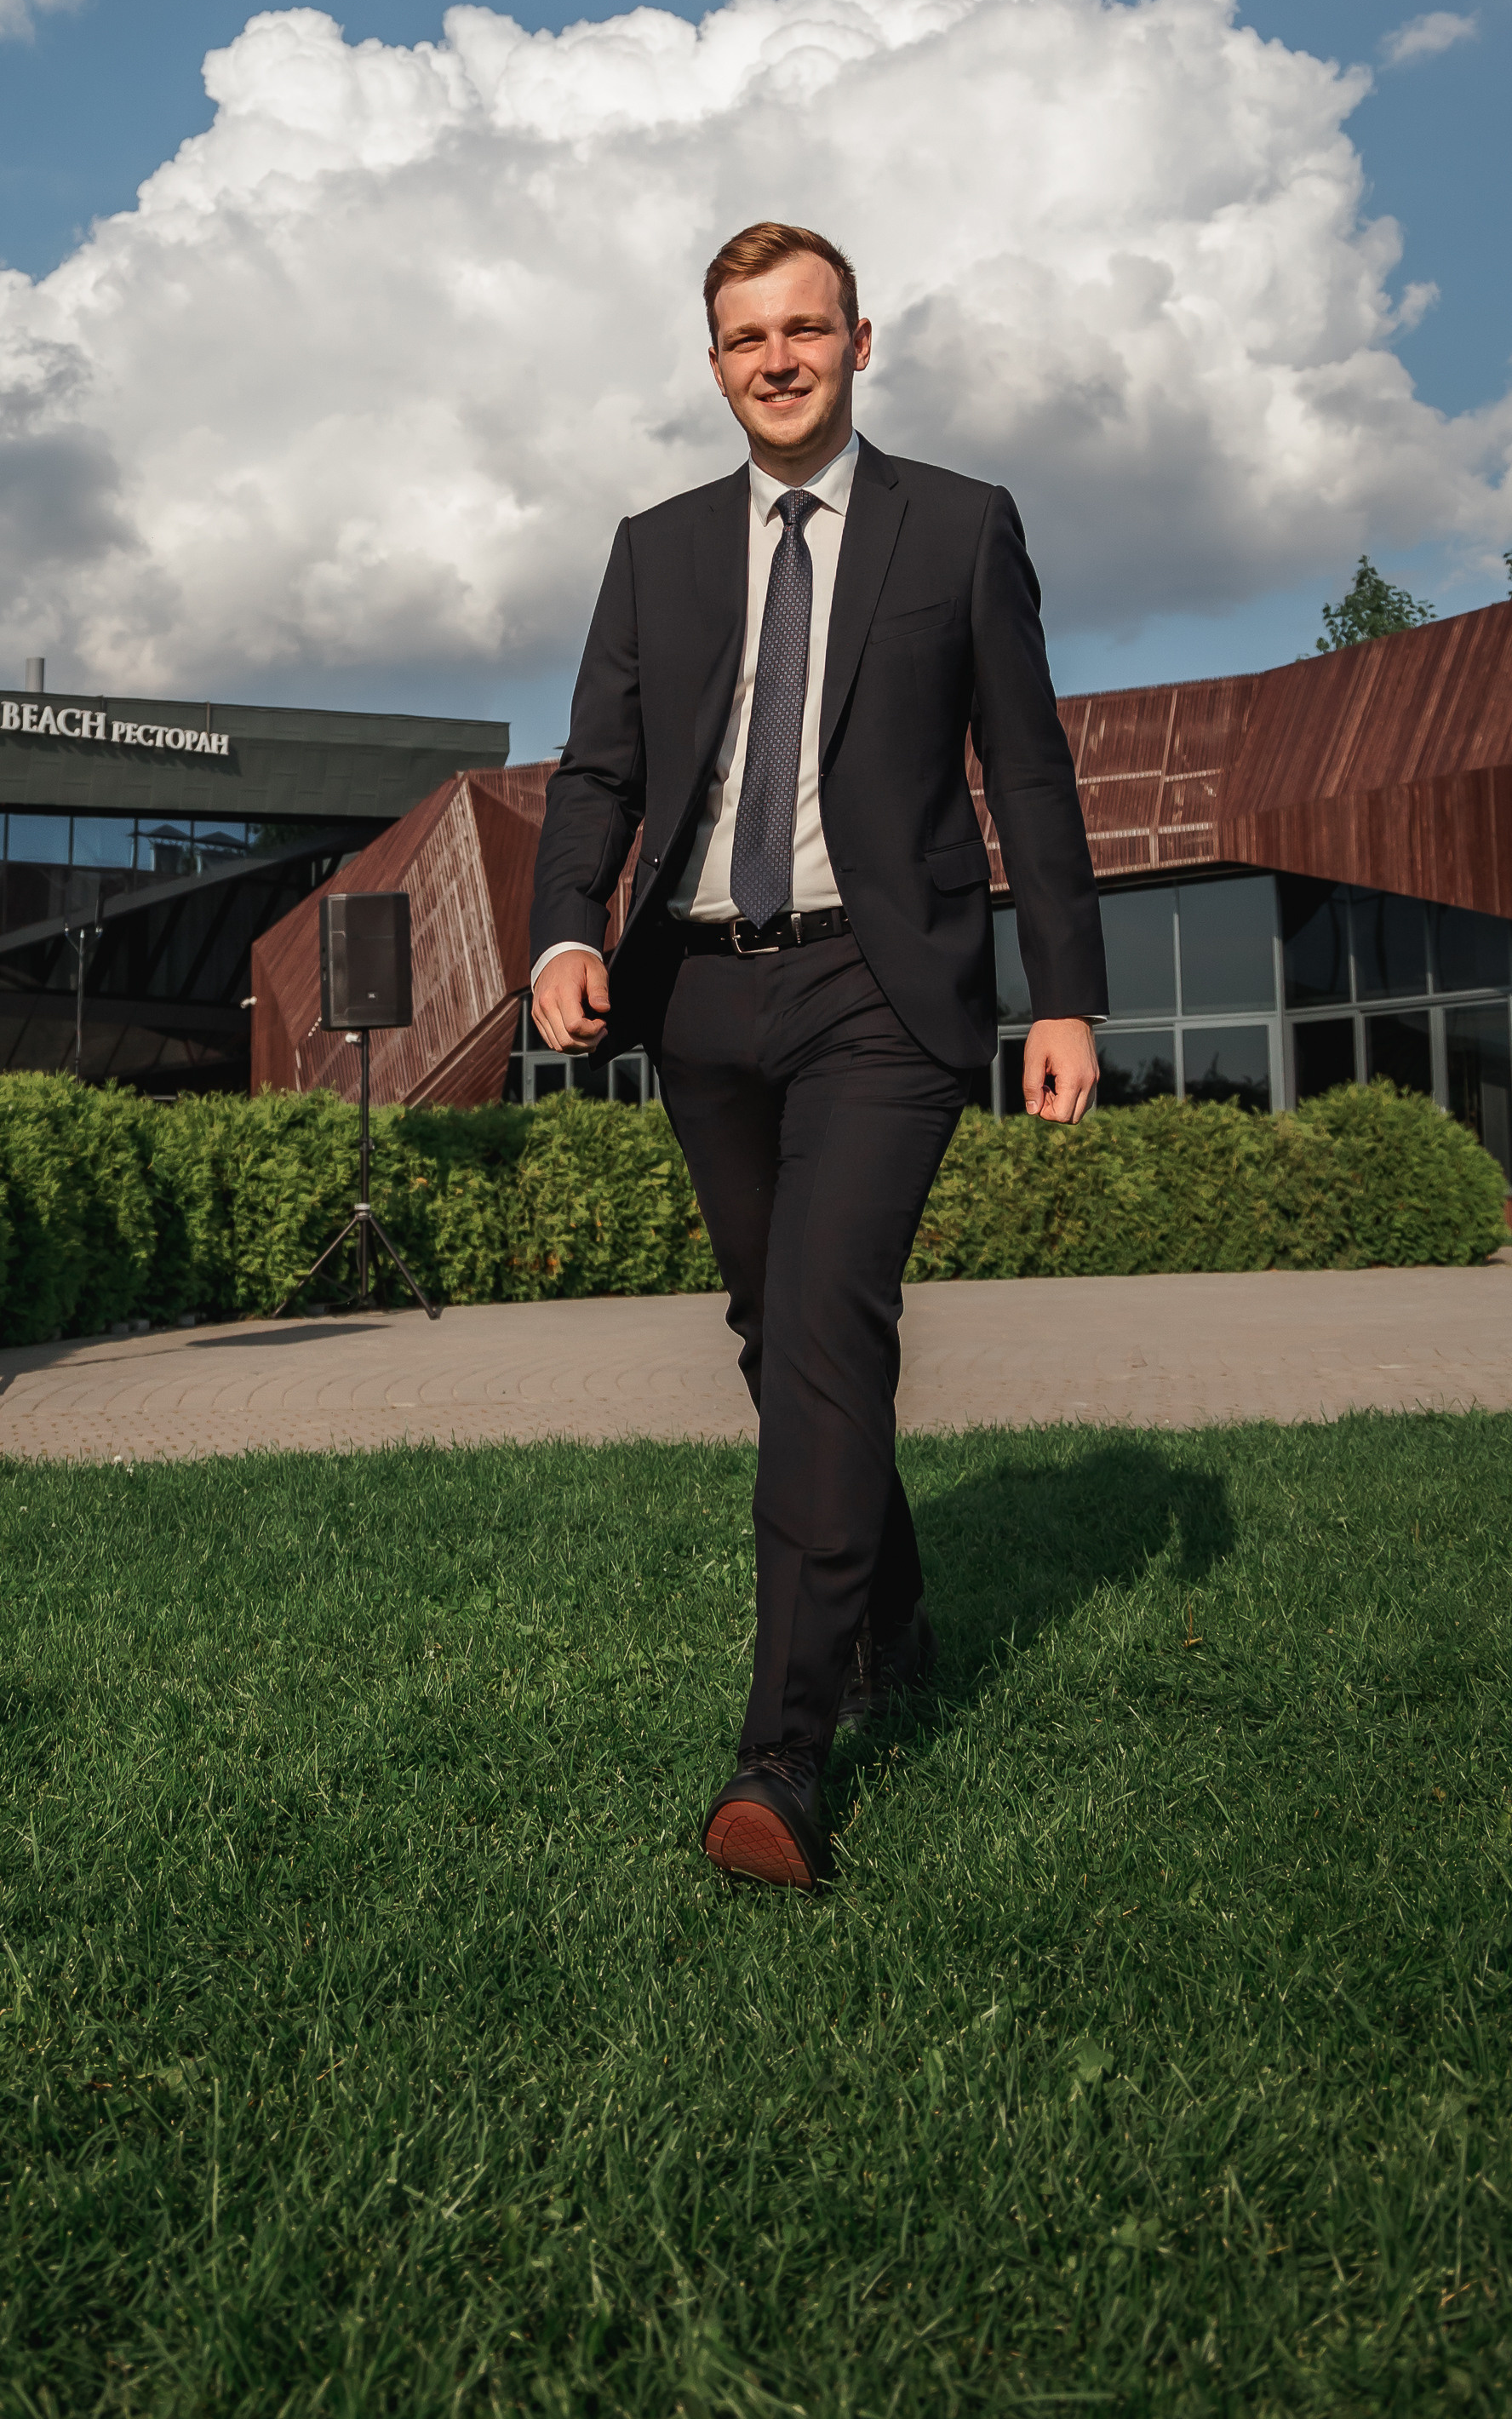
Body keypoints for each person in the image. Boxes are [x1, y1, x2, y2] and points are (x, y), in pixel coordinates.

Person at [528, 220, 1105, 1892]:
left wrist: (1062, 994)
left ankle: (781, 1754)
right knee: (773, 1327)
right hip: (700, 994)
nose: (772, 359)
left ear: (859, 342)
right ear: (712, 364)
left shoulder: (960, 526)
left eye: (802, 329)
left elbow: (1031, 768)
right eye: (740, 338)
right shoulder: (654, 549)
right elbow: (595, 769)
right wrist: (568, 929)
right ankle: (892, 1615)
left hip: (880, 981)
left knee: (825, 1329)